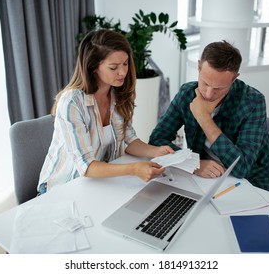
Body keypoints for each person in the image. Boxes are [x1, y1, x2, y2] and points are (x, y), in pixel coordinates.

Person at [38, 29, 174, 194]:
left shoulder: (117, 93)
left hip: (95, 184)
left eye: (125, 63)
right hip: (62, 188)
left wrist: (157, 151)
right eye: (113, 67)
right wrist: (134, 168)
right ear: (93, 67)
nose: (123, 72)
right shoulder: (72, 103)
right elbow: (86, 166)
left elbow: (128, 139)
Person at [149, 40, 269, 194]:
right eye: (204, 83)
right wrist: (194, 163)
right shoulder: (186, 94)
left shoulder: (253, 101)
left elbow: (242, 168)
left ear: (234, 79)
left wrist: (204, 118)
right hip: (208, 177)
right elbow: (157, 140)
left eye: (219, 88)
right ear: (199, 67)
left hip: (256, 178)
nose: (208, 94)